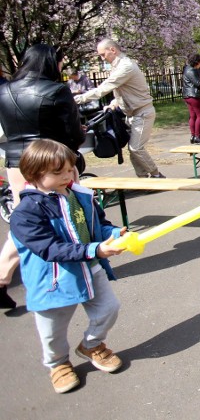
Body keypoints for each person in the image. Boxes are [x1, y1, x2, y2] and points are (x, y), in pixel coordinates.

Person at [10, 140, 127, 393]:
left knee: (109, 309)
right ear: (33, 174)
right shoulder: (26, 213)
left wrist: (115, 234)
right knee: (53, 329)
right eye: (58, 172)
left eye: (70, 169)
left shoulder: (81, 196)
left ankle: (92, 345)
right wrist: (94, 249)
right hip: (53, 280)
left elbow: (99, 226)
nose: (68, 176)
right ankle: (58, 364)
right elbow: (49, 249)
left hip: (90, 268)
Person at [0, 44, 87, 311]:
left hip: (17, 164)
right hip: (53, 165)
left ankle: (3, 276)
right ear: (51, 62)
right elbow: (73, 134)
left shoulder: (4, 89)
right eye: (60, 62)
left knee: (25, 221)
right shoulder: (56, 90)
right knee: (72, 214)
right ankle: (83, 267)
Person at [74, 39, 164, 178]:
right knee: (133, 149)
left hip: (142, 112)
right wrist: (114, 102)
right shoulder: (118, 66)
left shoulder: (125, 66)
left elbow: (103, 89)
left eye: (103, 55)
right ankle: (143, 178)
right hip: (132, 113)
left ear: (113, 50)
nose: (102, 58)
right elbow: (126, 90)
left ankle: (157, 175)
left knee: (136, 148)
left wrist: (76, 100)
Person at [182, 53, 200, 144]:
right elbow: (198, 83)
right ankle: (197, 136)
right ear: (197, 62)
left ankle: (193, 136)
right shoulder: (192, 70)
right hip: (193, 95)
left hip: (187, 95)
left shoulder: (187, 69)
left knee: (193, 116)